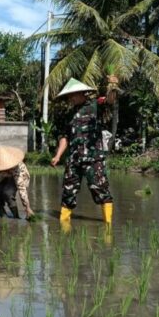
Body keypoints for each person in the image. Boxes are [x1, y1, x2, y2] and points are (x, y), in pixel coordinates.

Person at [50, 78, 114, 228]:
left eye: (73, 95)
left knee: (100, 188)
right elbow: (65, 137)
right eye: (69, 96)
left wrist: (113, 86)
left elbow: (111, 101)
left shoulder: (95, 105)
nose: (71, 98)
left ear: (82, 93)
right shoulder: (68, 114)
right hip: (74, 159)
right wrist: (58, 155)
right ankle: (63, 225)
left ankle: (108, 226)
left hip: (94, 158)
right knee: (68, 191)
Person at [0, 145, 34, 220]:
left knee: (8, 194)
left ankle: (16, 217)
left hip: (14, 176)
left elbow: (21, 188)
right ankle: (4, 218)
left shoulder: (16, 166)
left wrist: (27, 207)